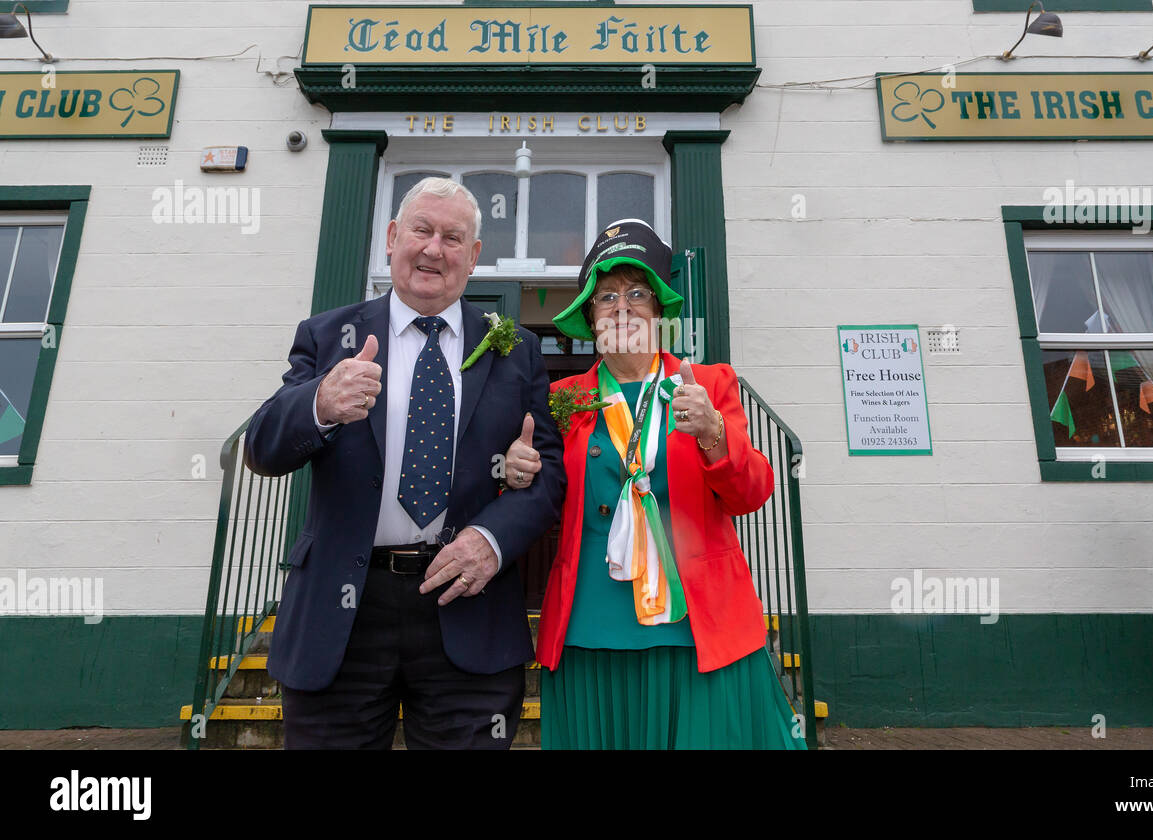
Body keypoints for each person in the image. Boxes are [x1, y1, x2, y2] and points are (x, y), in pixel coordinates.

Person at [244, 177, 565, 749]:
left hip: (468, 604)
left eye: (452, 237)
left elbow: (547, 477)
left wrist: (491, 539)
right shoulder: (328, 336)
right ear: (392, 238)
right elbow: (263, 449)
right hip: (342, 613)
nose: (433, 249)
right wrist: (319, 404)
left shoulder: (517, 352)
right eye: (421, 230)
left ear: (473, 257)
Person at [503, 219, 805, 749]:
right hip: (590, 626)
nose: (622, 307)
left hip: (698, 626)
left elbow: (752, 492)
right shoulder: (563, 398)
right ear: (590, 318)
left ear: (659, 311)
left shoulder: (710, 384)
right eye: (607, 297)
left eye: (638, 293)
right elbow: (539, 503)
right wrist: (515, 475)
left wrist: (713, 434)